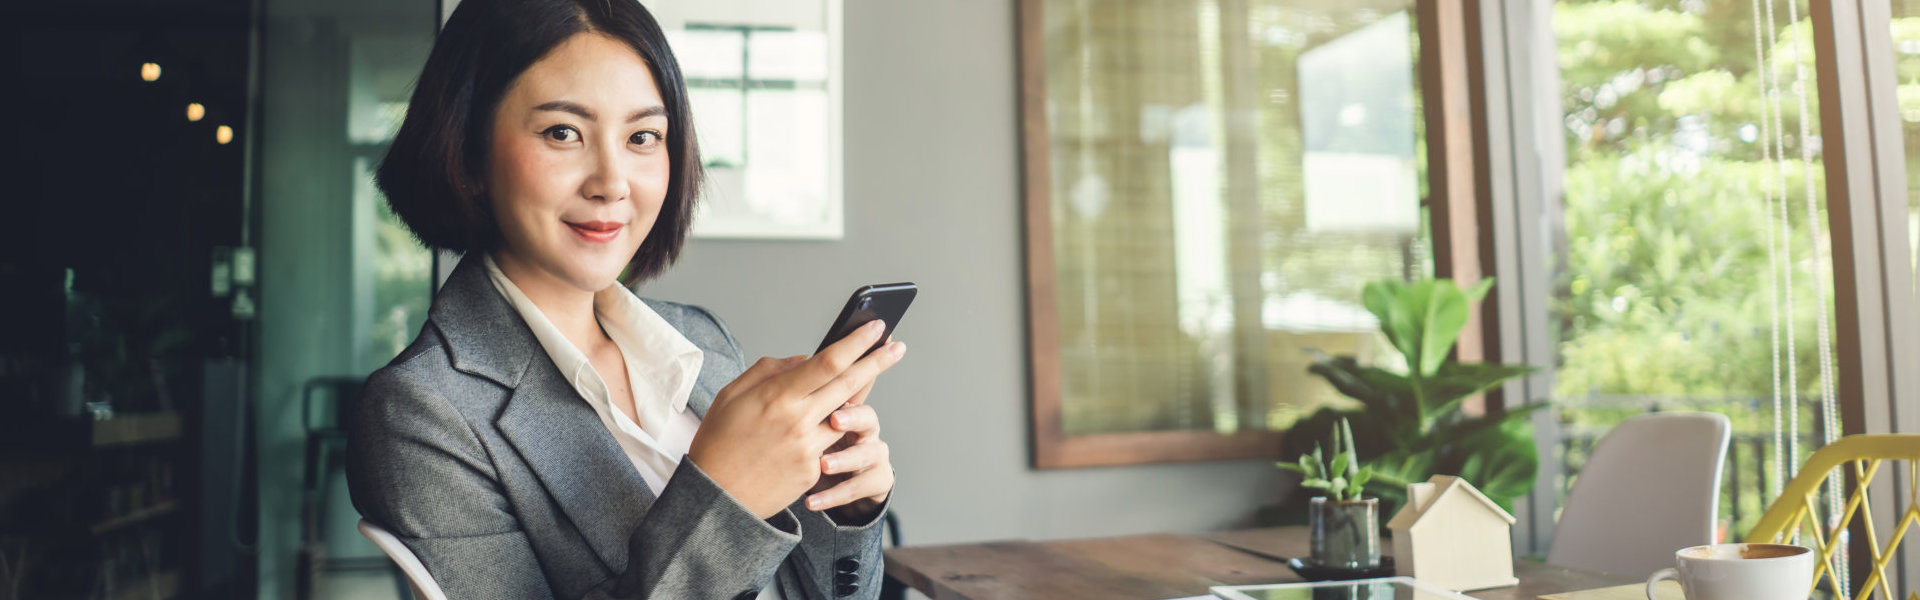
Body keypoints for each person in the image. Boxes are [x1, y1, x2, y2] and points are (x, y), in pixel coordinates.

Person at [344, 0, 903, 598]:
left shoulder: (702, 340)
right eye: (563, 132)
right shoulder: (423, 411)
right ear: (471, 148)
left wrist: (843, 511)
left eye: (643, 136)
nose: (612, 182)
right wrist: (726, 496)